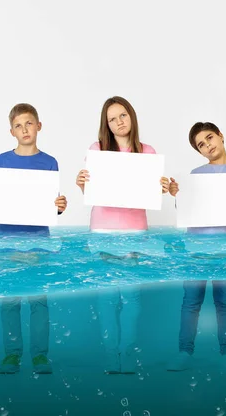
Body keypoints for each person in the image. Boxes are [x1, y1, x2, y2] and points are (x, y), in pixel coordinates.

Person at [76, 96, 169, 374]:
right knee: (106, 296)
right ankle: (110, 353)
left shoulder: (147, 151)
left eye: (123, 115)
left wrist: (162, 187)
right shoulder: (98, 150)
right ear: (107, 124)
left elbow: (153, 193)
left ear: (132, 117)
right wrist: (81, 183)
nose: (119, 122)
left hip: (135, 229)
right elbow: (90, 192)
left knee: (131, 297)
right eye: (113, 118)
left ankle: (126, 352)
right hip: (103, 229)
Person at [0, 103, 67, 374]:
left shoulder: (50, 162)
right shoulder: (1, 161)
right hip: (7, 239)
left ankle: (40, 356)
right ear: (11, 131)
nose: (24, 129)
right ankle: (12, 355)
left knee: (38, 301)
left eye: (29, 123)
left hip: (39, 240)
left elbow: (52, 205)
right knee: (10, 301)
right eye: (18, 125)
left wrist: (60, 205)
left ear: (39, 125)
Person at [166, 122, 226, 371]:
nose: (208, 145)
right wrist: (178, 195)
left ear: (221, 136)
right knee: (191, 301)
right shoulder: (195, 175)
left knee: (224, 301)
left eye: (210, 138)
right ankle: (184, 352)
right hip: (195, 247)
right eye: (202, 145)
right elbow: (184, 212)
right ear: (199, 152)